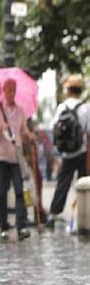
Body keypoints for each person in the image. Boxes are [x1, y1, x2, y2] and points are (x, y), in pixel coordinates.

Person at [0, 78, 34, 240]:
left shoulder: (20, 111)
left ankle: (22, 226)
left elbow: (24, 131)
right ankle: (4, 225)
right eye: (9, 90)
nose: (12, 93)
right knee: (1, 193)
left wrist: (29, 136)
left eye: (14, 90)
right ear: (4, 91)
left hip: (16, 157)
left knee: (20, 191)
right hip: (0, 157)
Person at [47, 75, 90, 228]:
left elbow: (53, 128)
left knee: (62, 184)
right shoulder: (85, 108)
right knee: (83, 185)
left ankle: (52, 215)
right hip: (82, 152)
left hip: (66, 153)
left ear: (68, 90)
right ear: (80, 90)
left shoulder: (62, 107)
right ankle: (81, 217)